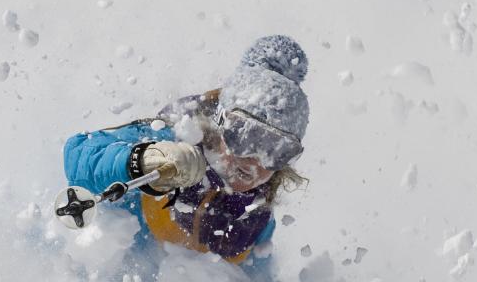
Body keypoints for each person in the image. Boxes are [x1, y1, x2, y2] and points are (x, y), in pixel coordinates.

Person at [63, 35, 309, 269]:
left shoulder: (257, 214)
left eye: (277, 151)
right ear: (219, 122)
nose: (254, 161)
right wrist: (140, 160)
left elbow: (256, 278)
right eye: (245, 136)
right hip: (108, 266)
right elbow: (79, 155)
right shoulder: (170, 140)